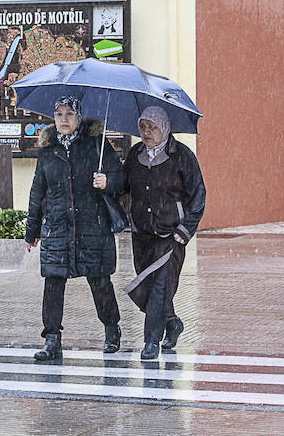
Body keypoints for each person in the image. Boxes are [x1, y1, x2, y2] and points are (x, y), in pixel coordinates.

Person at [24, 96, 126, 361]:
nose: (64, 119)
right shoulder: (48, 152)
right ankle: (52, 340)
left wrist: (108, 181)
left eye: (70, 113)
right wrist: (32, 230)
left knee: (100, 281)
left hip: (92, 226)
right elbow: (37, 192)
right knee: (53, 284)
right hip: (58, 228)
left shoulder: (97, 146)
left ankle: (111, 330)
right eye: (59, 114)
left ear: (79, 117)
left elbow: (122, 180)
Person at [123, 107, 205, 360]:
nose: (146, 132)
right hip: (142, 235)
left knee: (160, 287)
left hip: (171, 235)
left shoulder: (182, 156)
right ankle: (172, 322)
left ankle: (151, 342)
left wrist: (186, 227)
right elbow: (124, 188)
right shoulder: (134, 155)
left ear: (164, 127)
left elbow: (198, 194)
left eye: (152, 127)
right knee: (148, 287)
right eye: (143, 126)